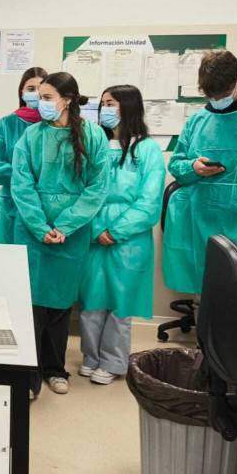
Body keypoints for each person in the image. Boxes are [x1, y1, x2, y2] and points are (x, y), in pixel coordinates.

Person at [11, 72, 109, 397]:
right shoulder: (30, 136)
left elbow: (97, 188)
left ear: (66, 100)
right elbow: (21, 185)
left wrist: (65, 225)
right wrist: (40, 227)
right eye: (39, 96)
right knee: (32, 306)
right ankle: (28, 375)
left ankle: (54, 368)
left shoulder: (93, 136)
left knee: (60, 306)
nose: (40, 103)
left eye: (47, 97)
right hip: (32, 231)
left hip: (72, 234)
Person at [163, 50, 237, 294]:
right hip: (199, 219)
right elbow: (176, 165)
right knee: (205, 289)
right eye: (210, 95)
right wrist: (194, 168)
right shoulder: (197, 121)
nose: (216, 100)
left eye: (222, 94)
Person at [78, 85, 165, 385]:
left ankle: (113, 362)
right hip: (92, 231)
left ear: (128, 107)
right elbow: (82, 191)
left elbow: (149, 202)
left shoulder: (147, 150)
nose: (105, 109)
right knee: (91, 300)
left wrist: (115, 231)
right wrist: (94, 229)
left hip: (129, 238)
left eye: (111, 103)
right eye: (103, 103)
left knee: (120, 302)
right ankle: (91, 357)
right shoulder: (96, 146)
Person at [0, 67, 48, 244]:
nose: (36, 93)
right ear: (21, 92)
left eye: (40, 89)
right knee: (11, 257)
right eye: (31, 88)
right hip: (12, 204)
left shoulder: (54, 126)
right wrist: (28, 181)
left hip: (45, 207)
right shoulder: (6, 124)